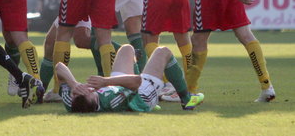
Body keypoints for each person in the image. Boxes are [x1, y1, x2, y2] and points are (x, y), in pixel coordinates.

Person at [56, 44, 204, 112]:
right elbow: (136, 82)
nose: (84, 87)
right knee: (163, 52)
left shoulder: (72, 102)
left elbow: (59, 68)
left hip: (118, 86)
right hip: (142, 96)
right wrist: (105, 81)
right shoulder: (112, 101)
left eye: (76, 92)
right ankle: (186, 99)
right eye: (87, 91)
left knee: (126, 49)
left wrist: (73, 83)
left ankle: (135, 60)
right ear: (95, 99)